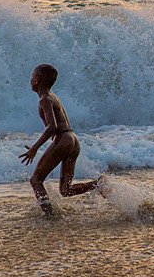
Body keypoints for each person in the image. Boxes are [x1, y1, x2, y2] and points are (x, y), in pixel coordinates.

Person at [20, 64, 97, 216]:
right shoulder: (52, 97)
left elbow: (52, 127)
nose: (30, 79)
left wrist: (34, 148)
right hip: (73, 140)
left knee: (36, 180)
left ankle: (49, 217)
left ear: (38, 80)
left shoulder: (44, 100)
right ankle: (99, 184)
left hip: (63, 140)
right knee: (65, 190)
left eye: (32, 76)